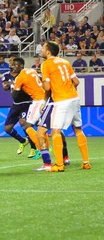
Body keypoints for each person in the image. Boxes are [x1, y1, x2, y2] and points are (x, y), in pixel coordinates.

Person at [40, 41, 90, 172]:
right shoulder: (65, 62)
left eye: (43, 48)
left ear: (48, 51)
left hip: (61, 100)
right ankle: (86, 162)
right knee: (78, 130)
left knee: (55, 131)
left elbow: (47, 87)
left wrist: (42, 84)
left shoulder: (46, 64)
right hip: (74, 98)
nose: (41, 51)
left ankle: (59, 165)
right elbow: (76, 81)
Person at [1, 57, 39, 158]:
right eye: (10, 63)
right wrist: (8, 85)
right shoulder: (6, 75)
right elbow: (5, 87)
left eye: (14, 63)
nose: (12, 65)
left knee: (24, 123)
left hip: (27, 103)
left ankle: (34, 148)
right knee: (7, 128)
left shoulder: (24, 74)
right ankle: (23, 141)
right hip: (16, 104)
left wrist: (12, 84)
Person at [10, 58, 44, 156]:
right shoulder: (32, 71)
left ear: (21, 65)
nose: (14, 67)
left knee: (27, 126)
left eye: (16, 65)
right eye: (13, 65)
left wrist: (14, 86)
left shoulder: (20, 77)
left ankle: (40, 150)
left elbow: (14, 96)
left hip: (38, 101)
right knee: (45, 127)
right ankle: (63, 156)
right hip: (46, 98)